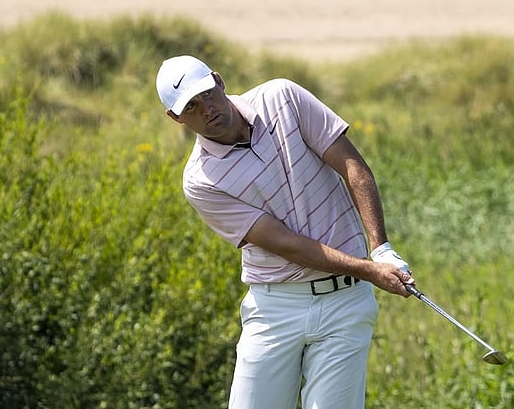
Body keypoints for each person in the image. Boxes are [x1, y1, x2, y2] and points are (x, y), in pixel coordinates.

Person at [155, 55, 415, 409]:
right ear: (176, 118)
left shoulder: (282, 98)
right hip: (276, 308)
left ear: (219, 80)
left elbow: (352, 165)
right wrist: (369, 270)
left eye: (206, 94)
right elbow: (285, 244)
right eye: (191, 107)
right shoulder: (201, 181)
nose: (207, 110)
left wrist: (381, 249)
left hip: (345, 303)